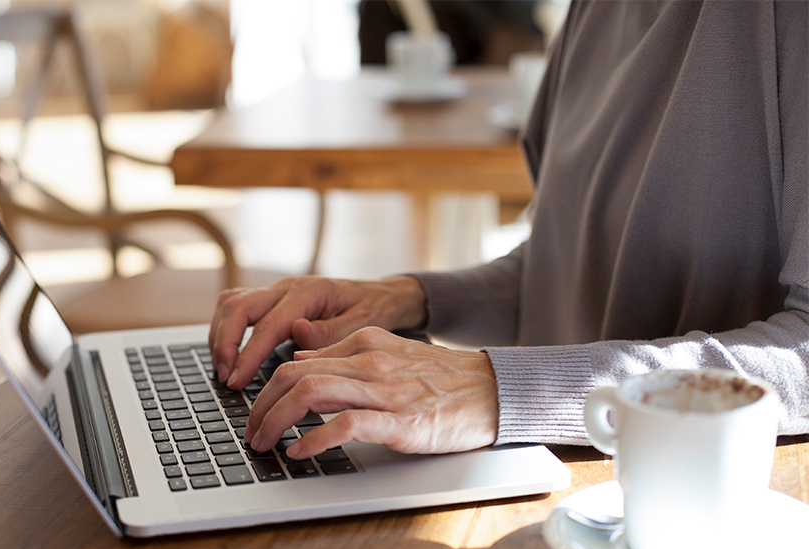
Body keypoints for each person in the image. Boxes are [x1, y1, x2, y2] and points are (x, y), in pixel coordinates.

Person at [210, 0, 809, 461]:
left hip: (699, 497)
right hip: (560, 465)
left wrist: (501, 389)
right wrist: (407, 297)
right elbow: (563, 259)